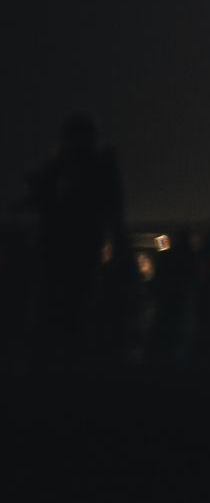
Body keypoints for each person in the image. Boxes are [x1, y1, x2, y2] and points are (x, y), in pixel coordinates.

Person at [27, 114, 125, 360]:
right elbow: (113, 205)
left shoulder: (66, 165)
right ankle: (73, 351)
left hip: (65, 242)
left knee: (60, 300)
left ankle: (61, 350)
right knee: (76, 299)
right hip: (81, 241)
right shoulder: (95, 164)